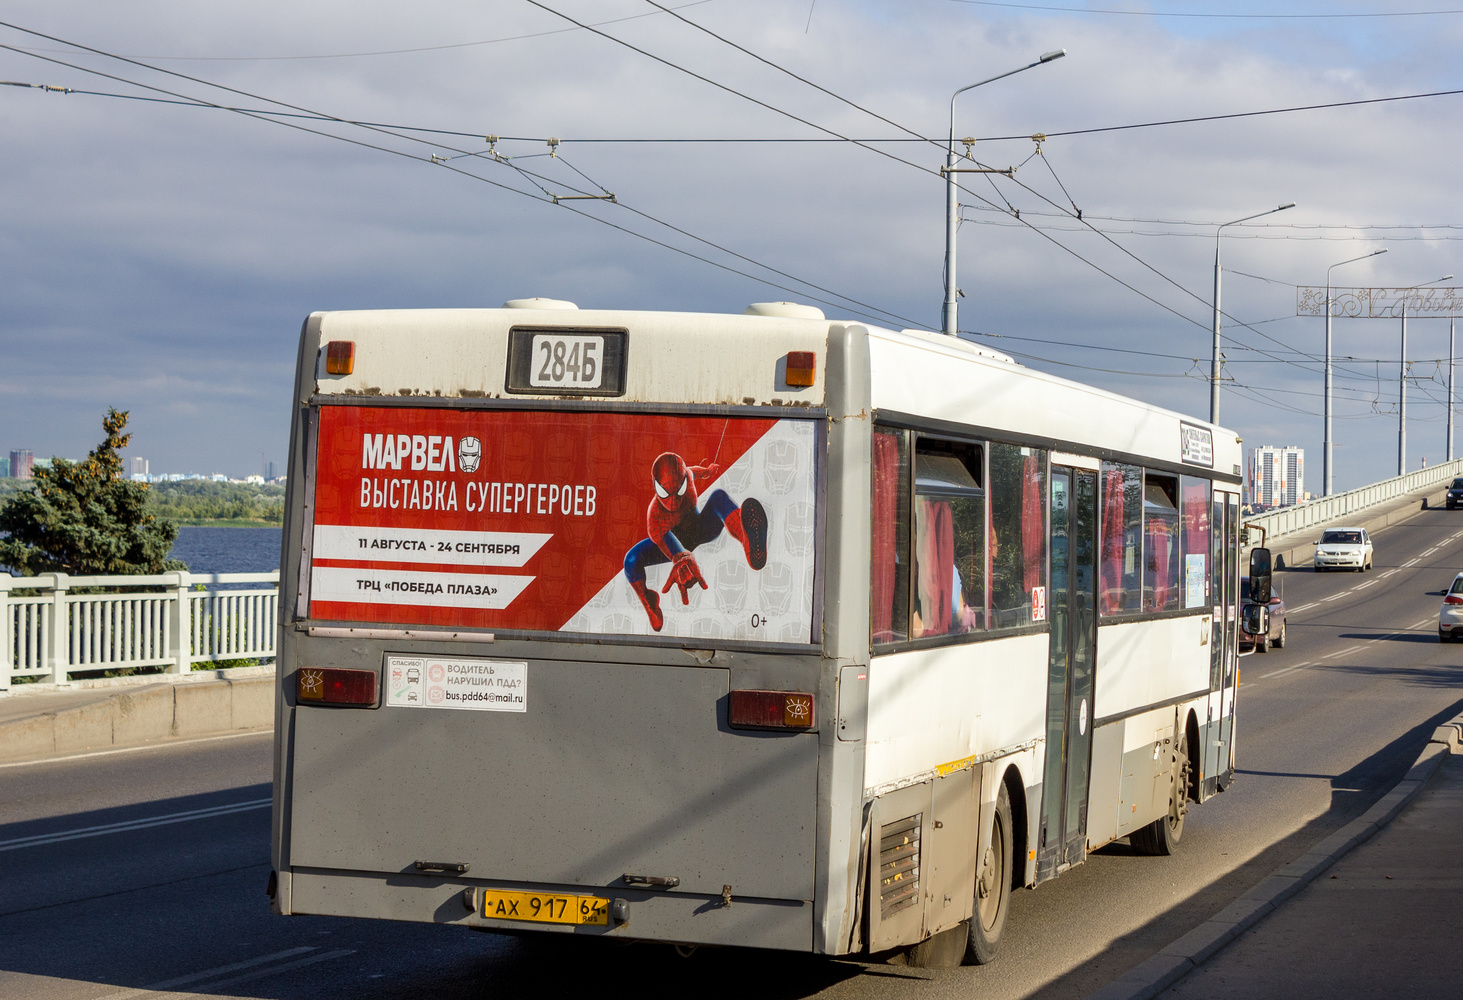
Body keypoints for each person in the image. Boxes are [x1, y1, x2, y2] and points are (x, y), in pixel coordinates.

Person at [624, 452, 768, 631]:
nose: (673, 501)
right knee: (630, 560)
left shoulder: (688, 476)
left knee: (718, 496)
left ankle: (745, 537)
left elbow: (694, 471)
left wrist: (707, 470)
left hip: (699, 530)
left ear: (684, 478)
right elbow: (669, 546)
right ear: (655, 486)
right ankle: (649, 602)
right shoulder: (654, 517)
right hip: (675, 543)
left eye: (680, 489)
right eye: (664, 493)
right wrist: (682, 558)